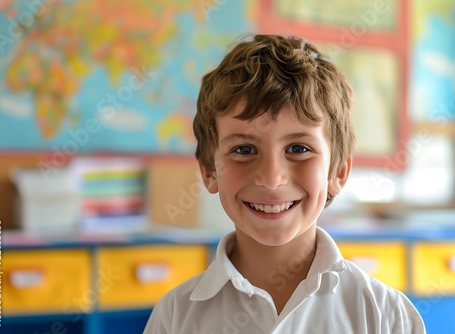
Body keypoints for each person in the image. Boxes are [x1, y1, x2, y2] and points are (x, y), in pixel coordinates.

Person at [143, 34, 425, 334]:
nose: (272, 179)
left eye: (299, 149)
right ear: (210, 171)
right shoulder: (175, 317)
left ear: (338, 172)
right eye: (244, 150)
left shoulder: (386, 316)